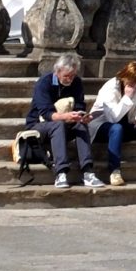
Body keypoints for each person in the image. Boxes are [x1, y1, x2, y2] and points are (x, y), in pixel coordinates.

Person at [26, 54, 104, 189]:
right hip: (38, 125)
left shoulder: (76, 82)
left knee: (81, 125)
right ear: (57, 72)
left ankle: (88, 172)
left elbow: (80, 105)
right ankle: (61, 172)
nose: (69, 79)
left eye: (72, 76)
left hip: (66, 123)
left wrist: (82, 116)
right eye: (66, 76)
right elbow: (46, 114)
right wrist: (66, 116)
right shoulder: (44, 83)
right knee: (58, 124)